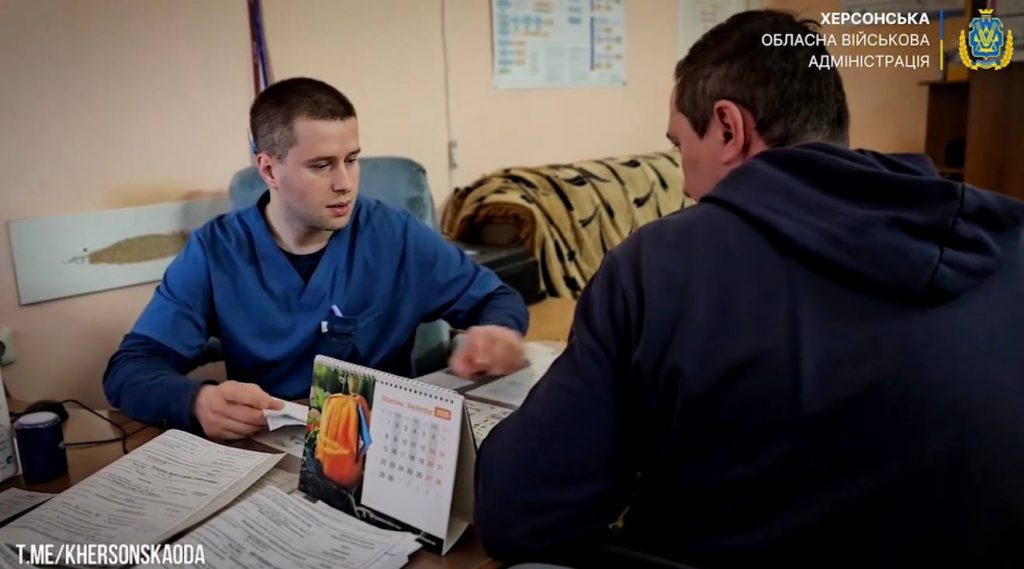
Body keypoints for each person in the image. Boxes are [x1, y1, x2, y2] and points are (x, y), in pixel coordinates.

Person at [474, 10, 1024, 568]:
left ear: (728, 128)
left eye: (679, 146)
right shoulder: (1007, 246)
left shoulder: (657, 266)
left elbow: (518, 512)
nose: (686, 186)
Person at [104, 77, 528, 441]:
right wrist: (196, 401)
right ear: (269, 170)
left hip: (382, 447)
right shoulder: (215, 252)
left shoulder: (395, 235)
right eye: (322, 165)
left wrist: (498, 332)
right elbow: (131, 368)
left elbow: (496, 298)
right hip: (271, 449)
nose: (345, 183)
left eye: (352, 160)